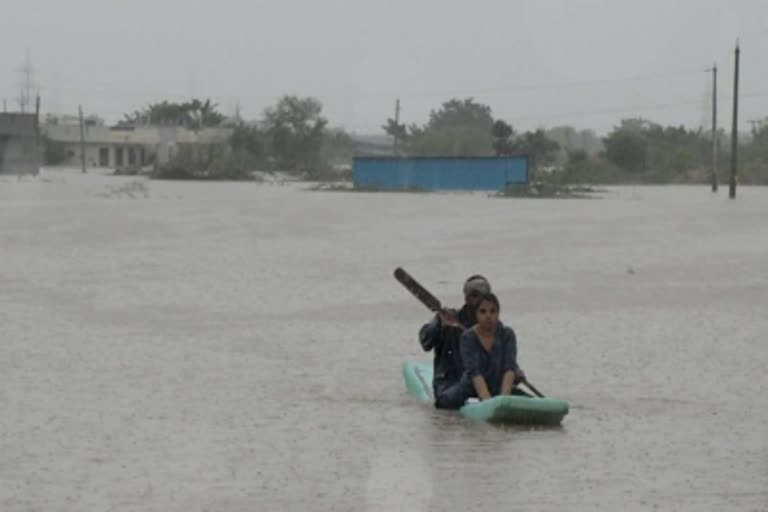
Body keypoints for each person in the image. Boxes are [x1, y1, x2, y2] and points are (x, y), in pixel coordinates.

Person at [418, 275, 492, 409]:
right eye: (474, 295)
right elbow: (425, 342)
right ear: (466, 298)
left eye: (484, 296)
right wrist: (440, 324)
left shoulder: (491, 325)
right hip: (449, 384)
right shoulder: (448, 317)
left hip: (481, 385)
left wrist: (514, 371)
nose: (479, 300)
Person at [459, 292, 526, 404]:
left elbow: (509, 368)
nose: (488, 316)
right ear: (476, 315)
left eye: (493, 311)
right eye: (483, 312)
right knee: (445, 401)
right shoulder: (467, 337)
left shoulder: (507, 334)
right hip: (471, 388)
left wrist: (503, 400)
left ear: (498, 313)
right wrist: (487, 401)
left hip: (500, 387)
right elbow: (474, 373)